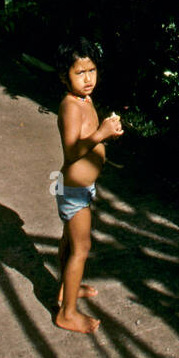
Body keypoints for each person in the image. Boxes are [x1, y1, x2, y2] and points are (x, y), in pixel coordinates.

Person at [54, 38, 123, 334]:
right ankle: (67, 313)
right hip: (73, 191)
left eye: (91, 70)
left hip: (82, 188)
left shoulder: (85, 99)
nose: (87, 79)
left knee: (70, 243)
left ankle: (65, 288)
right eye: (79, 73)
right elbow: (71, 152)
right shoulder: (70, 106)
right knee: (81, 249)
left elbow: (90, 135)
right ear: (63, 77)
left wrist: (108, 133)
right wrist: (100, 134)